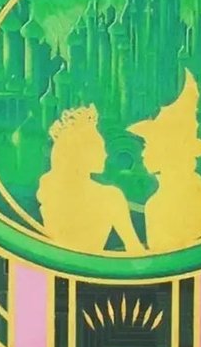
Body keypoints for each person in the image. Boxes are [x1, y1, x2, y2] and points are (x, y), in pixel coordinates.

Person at [128, 71, 201, 250]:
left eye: (148, 145)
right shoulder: (170, 198)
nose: (143, 153)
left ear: (168, 150)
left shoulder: (167, 202)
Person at [36, 106, 144, 253]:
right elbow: (136, 251)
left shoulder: (111, 197)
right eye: (98, 147)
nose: (105, 155)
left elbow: (135, 251)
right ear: (80, 152)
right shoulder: (110, 197)